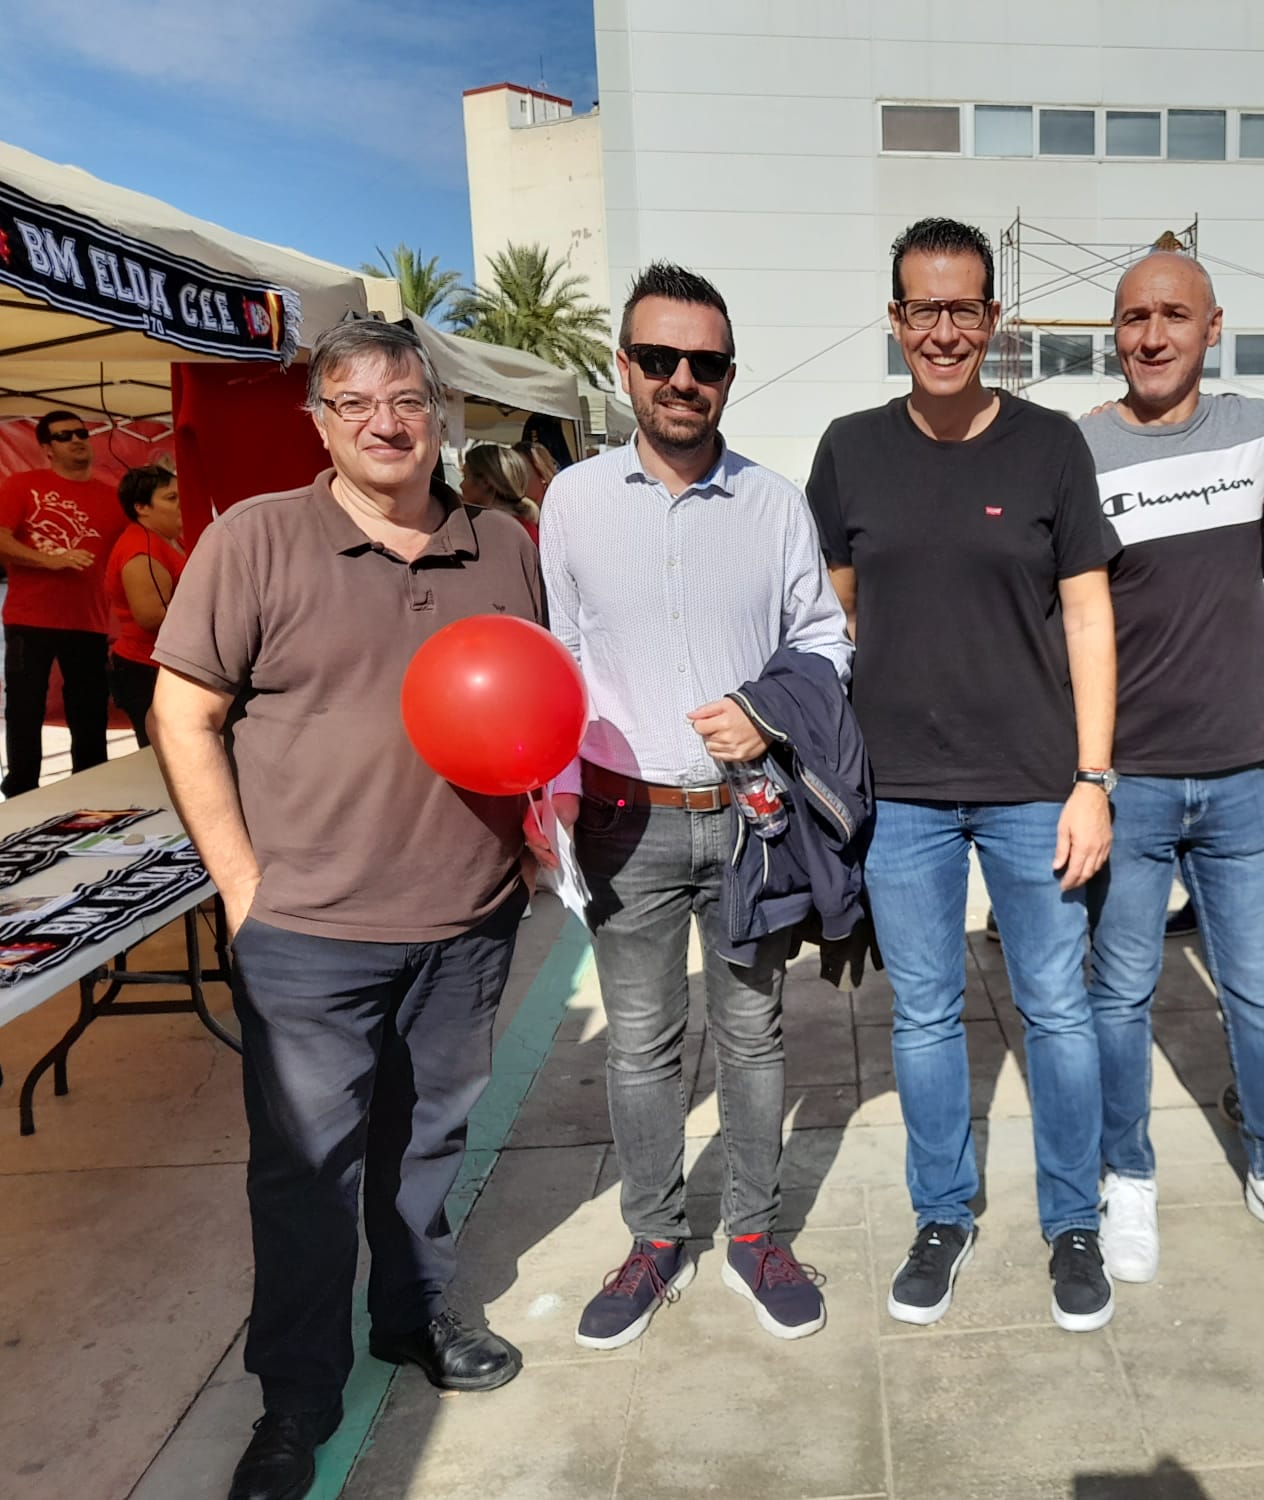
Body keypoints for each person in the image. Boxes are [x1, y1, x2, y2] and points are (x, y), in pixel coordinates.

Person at [149, 320, 543, 1500]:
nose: (385, 420)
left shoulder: (501, 546)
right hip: (309, 935)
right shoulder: (254, 540)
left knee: (424, 1149)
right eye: (355, 400)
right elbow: (183, 715)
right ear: (318, 419)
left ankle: (412, 1320)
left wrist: (527, 844)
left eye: (408, 398)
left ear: (440, 412)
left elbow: (531, 701)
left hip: (465, 923)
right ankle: (296, 1396)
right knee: (307, 1171)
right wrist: (242, 887)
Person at [806, 217, 1121, 1333]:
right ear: (894, 320)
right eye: (921, 310)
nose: (942, 331)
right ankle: (941, 1213)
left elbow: (1088, 616)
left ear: (993, 321)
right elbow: (828, 614)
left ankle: (1072, 1222)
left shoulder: (1048, 446)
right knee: (927, 1017)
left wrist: (1094, 777)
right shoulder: (848, 447)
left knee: (1056, 1010)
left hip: (1037, 780)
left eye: (963, 309)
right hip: (900, 794)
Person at [543, 263, 850, 1351]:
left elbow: (823, 638)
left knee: (755, 1034)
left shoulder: (772, 503)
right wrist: (559, 801)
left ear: (726, 376)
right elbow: (561, 659)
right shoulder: (571, 501)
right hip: (624, 819)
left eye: (704, 363)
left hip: (746, 811)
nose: (682, 379)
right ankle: (655, 1237)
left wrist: (762, 713)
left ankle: (756, 1234)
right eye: (659, 359)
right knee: (637, 1045)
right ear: (624, 367)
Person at [1077, 249, 1264, 1286]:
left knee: (1253, 989)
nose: (1151, 335)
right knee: (1120, 997)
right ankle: (1127, 1177)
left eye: (1172, 315)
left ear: (1211, 326)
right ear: (1114, 334)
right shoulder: (1079, 447)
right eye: (1134, 317)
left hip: (1246, 776)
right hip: (1128, 777)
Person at [0, 411, 124, 795]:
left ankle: (91, 785)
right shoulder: (22, 485)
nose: (76, 440)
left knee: (88, 709)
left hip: (87, 622)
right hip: (30, 618)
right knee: (25, 706)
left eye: (82, 433)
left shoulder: (112, 497)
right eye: (64, 435)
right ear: (46, 448)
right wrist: (51, 560)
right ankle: (22, 790)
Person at [103, 464, 186, 749]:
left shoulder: (169, 539)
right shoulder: (141, 550)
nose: (181, 503)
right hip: (146, 668)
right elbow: (151, 618)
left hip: (164, 663)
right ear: (142, 507)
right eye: (171, 498)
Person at [459, 442, 540, 543]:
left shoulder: (483, 532)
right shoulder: (529, 529)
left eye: (465, 477)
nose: (461, 485)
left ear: (485, 482)